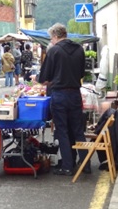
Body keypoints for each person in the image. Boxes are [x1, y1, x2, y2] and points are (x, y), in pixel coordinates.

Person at [37, 23, 88, 176]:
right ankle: (85, 164)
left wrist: (44, 80)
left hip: (59, 94)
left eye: (51, 38)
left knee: (62, 130)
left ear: (55, 36)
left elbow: (44, 78)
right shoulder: (79, 49)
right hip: (75, 94)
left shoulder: (54, 51)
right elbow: (81, 74)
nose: (51, 41)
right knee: (78, 130)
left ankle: (67, 166)